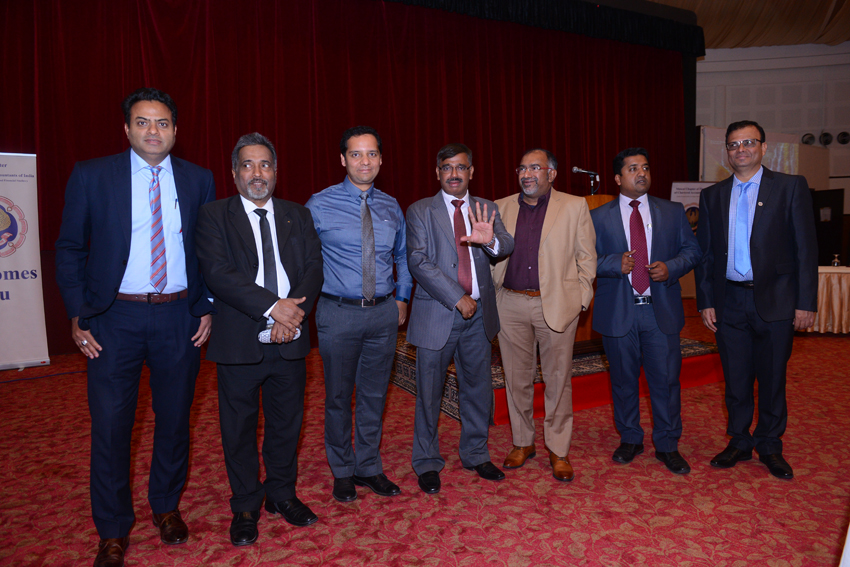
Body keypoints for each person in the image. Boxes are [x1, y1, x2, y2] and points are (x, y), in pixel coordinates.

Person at [55, 88, 215, 567]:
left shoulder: (198, 179)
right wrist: (79, 312)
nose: (153, 131)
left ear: (175, 130)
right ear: (126, 129)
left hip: (179, 317)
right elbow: (69, 248)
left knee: (174, 420)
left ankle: (166, 506)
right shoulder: (91, 175)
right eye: (143, 122)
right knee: (110, 427)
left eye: (162, 122)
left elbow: (208, 249)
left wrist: (205, 305)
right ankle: (112, 529)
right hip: (113, 319)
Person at [195, 133, 323, 545]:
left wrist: (292, 315)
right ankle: (246, 504)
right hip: (239, 341)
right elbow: (219, 274)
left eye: (265, 164)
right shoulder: (214, 215)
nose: (257, 173)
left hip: (292, 337)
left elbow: (313, 269)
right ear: (234, 172)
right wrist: (273, 308)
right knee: (238, 429)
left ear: (275, 171)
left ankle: (282, 494)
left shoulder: (297, 215)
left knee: (287, 425)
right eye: (248, 165)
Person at [695, 120, 818, 480]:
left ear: (763, 148)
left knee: (772, 377)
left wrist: (806, 302)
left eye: (749, 142)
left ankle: (769, 444)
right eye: (734, 145)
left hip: (777, 301)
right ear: (727, 152)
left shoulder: (790, 187)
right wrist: (705, 300)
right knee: (735, 379)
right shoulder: (712, 195)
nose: (741, 150)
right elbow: (706, 255)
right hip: (729, 301)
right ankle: (739, 440)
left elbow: (806, 249)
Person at [305, 126, 412, 502]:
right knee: (338, 396)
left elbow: (403, 255)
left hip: (383, 315)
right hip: (338, 314)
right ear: (342, 159)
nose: (364, 161)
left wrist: (403, 298)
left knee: (374, 395)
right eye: (356, 154)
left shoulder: (391, 205)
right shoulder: (319, 204)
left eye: (371, 154)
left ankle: (368, 466)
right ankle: (342, 470)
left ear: (381, 159)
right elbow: (302, 260)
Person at [406, 143, 514, 494]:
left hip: (479, 318)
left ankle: (475, 453)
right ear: (437, 172)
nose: (454, 174)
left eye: (461, 167)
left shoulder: (486, 208)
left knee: (477, 389)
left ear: (471, 172)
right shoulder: (420, 210)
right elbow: (418, 261)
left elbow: (506, 244)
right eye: (447, 167)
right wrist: (457, 297)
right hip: (436, 313)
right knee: (429, 392)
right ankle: (426, 461)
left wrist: (490, 242)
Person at [590, 148, 701, 475]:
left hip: (659, 311)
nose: (641, 173)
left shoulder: (672, 211)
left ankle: (667, 443)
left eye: (646, 167)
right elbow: (581, 259)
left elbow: (692, 251)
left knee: (665, 381)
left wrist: (672, 267)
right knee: (623, 381)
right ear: (617, 178)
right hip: (618, 311)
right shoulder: (597, 216)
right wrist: (613, 263)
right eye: (633, 168)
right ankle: (630, 438)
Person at [491, 148, 596, 482]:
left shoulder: (575, 206)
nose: (527, 174)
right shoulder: (499, 207)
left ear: (551, 173)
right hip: (510, 304)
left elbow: (586, 257)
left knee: (557, 380)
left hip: (557, 305)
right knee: (515, 379)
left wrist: (580, 299)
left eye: (534, 168)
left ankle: (559, 449)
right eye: (522, 168)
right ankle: (523, 442)